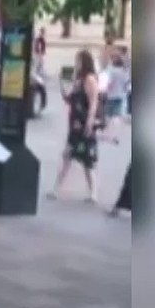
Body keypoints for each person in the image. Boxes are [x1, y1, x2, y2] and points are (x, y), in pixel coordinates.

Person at [47, 49, 104, 203]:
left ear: (84, 62)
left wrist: (90, 121)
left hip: (84, 124)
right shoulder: (79, 80)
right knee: (68, 156)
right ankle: (56, 189)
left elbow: (93, 102)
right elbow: (71, 99)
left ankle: (93, 192)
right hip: (75, 124)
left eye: (78, 61)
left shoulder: (89, 79)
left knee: (86, 161)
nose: (76, 64)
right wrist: (64, 89)